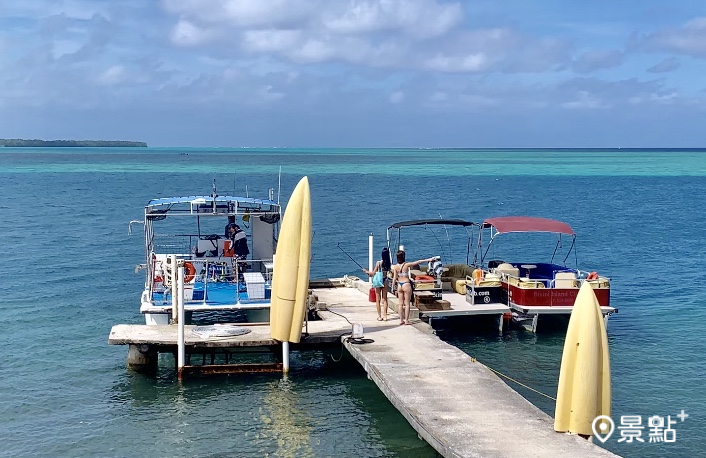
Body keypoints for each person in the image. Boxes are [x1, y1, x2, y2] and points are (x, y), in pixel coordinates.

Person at [391, 250, 435, 325]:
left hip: (399, 285)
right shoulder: (406, 265)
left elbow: (395, 278)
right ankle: (407, 320)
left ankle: (401, 320)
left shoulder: (395, 267)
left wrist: (392, 287)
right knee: (407, 304)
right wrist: (429, 259)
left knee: (400, 304)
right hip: (406, 284)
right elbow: (418, 262)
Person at [362, 247, 392, 321]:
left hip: (378, 281)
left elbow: (372, 273)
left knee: (378, 299)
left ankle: (379, 316)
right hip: (385, 281)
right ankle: (385, 316)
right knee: (385, 299)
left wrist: (366, 271)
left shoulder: (378, 263)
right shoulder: (388, 264)